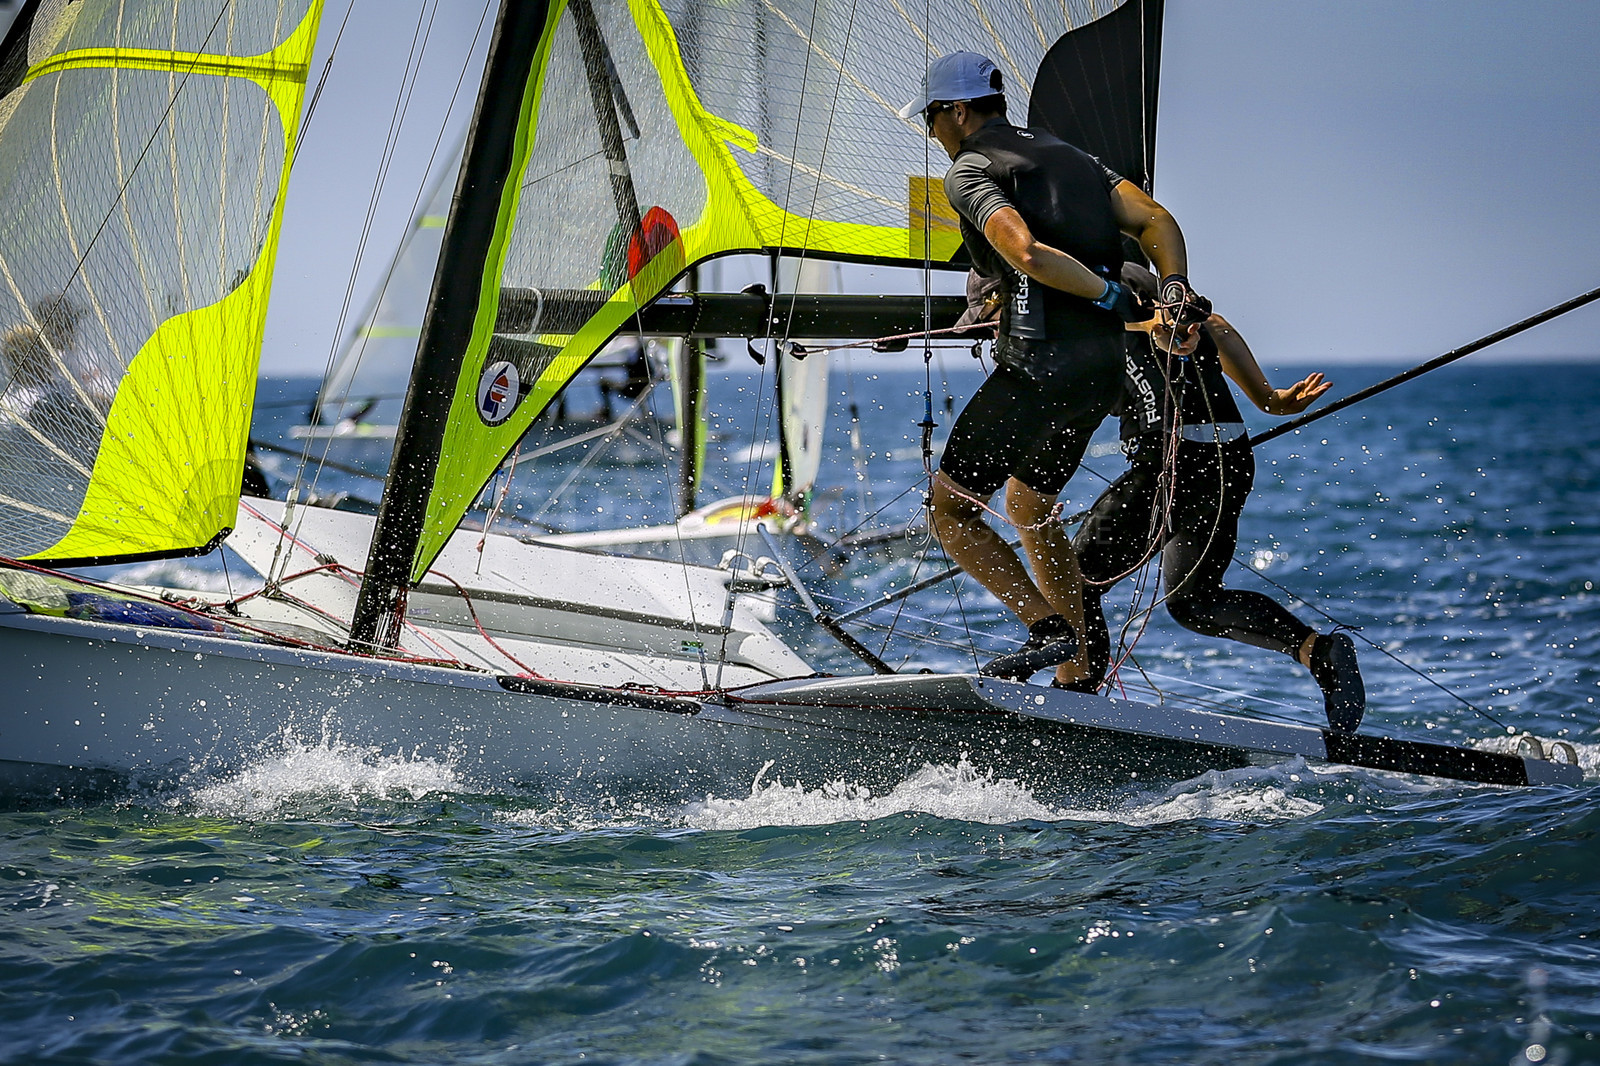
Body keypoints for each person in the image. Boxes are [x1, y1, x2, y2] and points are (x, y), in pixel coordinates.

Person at [900, 51, 1203, 681]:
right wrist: (1173, 286)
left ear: (958, 111)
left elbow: (1029, 254)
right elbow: (1154, 219)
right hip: (1101, 372)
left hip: (1037, 369)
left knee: (949, 512)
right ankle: (1079, 675)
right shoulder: (1074, 157)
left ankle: (1048, 630)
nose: (932, 133)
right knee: (1028, 504)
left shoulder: (969, 169)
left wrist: (1107, 293)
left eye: (931, 118)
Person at [1062, 265, 1366, 732]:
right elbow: (1251, 375)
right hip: (1227, 462)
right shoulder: (1195, 324)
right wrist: (1278, 400)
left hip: (1174, 463)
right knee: (1194, 602)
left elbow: (1142, 329)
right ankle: (1318, 651)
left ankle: (1076, 702)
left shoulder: (1116, 323)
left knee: (1073, 579)